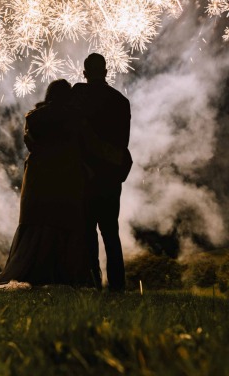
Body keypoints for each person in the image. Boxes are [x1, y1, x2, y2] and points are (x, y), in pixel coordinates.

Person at [0, 79, 92, 287]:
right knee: (61, 220)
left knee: (38, 219)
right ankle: (62, 271)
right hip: (66, 175)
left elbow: (31, 144)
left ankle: (31, 267)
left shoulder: (34, 117)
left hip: (38, 175)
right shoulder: (75, 117)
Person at [71, 53, 131, 291]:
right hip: (110, 175)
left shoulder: (78, 96)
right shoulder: (120, 101)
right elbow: (122, 142)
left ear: (84, 73)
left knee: (87, 233)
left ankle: (92, 283)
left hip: (84, 175)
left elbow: (71, 135)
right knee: (110, 232)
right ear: (106, 72)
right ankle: (117, 286)